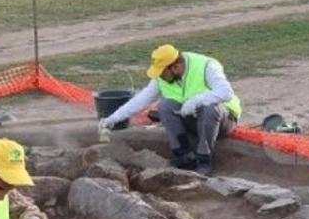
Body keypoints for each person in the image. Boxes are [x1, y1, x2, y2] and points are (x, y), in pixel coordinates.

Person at [98, 44, 243, 176]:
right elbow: (142, 99)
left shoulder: (206, 66)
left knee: (210, 109)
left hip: (223, 120)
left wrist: (197, 101)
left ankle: (203, 160)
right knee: (165, 105)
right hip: (193, 119)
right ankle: (184, 156)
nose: (160, 76)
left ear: (175, 67)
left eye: (162, 72)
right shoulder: (164, 76)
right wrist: (113, 118)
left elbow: (226, 92)